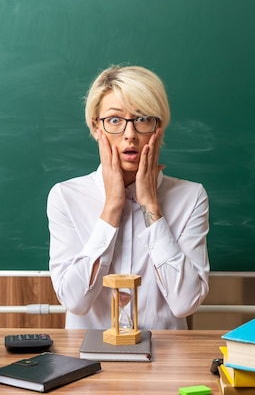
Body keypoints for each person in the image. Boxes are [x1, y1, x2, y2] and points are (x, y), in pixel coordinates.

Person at [47, 65, 210, 330]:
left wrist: (150, 207)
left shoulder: (191, 197)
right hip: (86, 361)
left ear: (159, 128)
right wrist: (112, 208)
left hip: (164, 360)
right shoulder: (65, 197)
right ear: (95, 127)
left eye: (143, 119)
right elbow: (75, 301)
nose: (130, 134)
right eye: (114, 120)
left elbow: (185, 304)